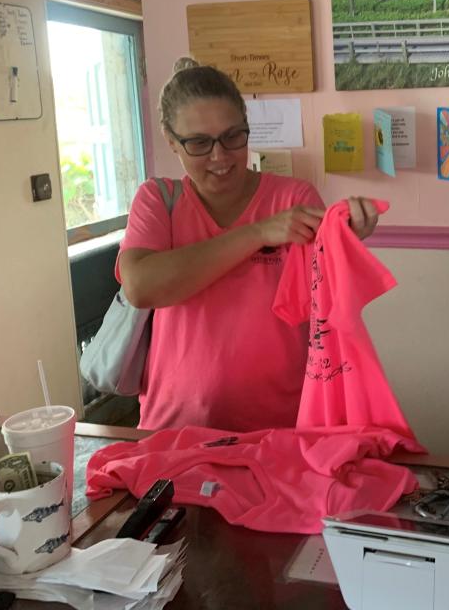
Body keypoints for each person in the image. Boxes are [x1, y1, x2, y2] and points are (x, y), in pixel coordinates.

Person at [118, 58, 379, 432]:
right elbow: (141, 287)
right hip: (176, 427)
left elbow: (328, 307)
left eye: (233, 136)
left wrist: (345, 242)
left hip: (282, 427)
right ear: (170, 140)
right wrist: (258, 234)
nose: (220, 157)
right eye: (198, 143)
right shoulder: (159, 200)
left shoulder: (293, 198)